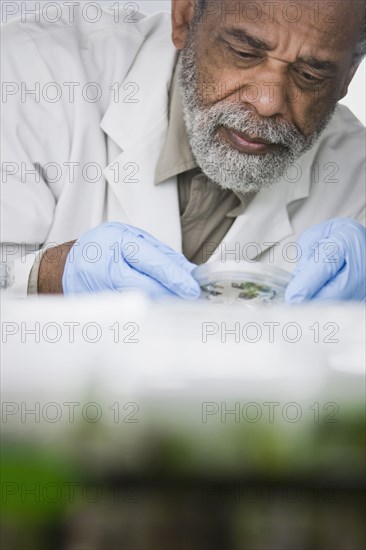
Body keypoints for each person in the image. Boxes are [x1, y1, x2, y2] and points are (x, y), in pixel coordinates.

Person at [1, 0, 365, 301]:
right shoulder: (32, 78)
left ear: (347, 78)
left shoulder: (357, 177)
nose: (269, 102)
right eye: (243, 52)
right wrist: (48, 276)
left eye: (310, 77)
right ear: (186, 17)